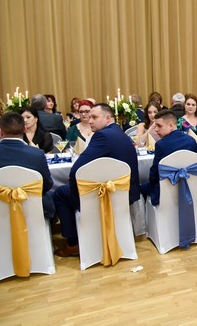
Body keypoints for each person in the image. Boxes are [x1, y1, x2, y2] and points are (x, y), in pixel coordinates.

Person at [54, 103, 140, 257]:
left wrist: (78, 199)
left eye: (94, 117)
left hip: (108, 195)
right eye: (89, 117)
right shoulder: (120, 133)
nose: (90, 121)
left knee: (60, 193)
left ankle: (73, 243)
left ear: (107, 118)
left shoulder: (102, 136)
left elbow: (76, 171)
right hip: (125, 193)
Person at [0, 113, 55, 237]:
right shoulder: (37, 154)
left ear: (0, 131)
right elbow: (47, 185)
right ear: (24, 129)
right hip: (30, 209)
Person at [142, 110, 197, 205]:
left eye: (159, 126)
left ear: (171, 126)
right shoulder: (191, 141)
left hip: (166, 194)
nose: (156, 130)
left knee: (141, 188)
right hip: (191, 190)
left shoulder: (161, 145)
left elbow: (154, 175)